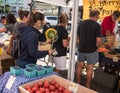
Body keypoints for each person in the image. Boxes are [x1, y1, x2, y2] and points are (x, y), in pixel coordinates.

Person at [76, 9, 101, 88]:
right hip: (92, 50)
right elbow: (98, 40)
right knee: (90, 68)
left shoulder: (81, 24)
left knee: (79, 66)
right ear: (96, 16)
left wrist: (80, 44)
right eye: (98, 16)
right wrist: (98, 47)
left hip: (81, 48)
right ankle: (87, 86)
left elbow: (77, 38)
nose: (98, 18)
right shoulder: (97, 26)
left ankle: (78, 83)